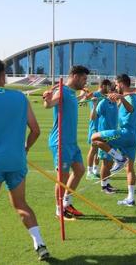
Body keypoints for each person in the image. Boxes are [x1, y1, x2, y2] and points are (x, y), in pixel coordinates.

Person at [0, 59, 49, 262]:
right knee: (21, 203)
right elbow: (36, 130)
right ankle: (40, 243)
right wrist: (25, 148)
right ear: (3, 74)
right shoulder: (20, 98)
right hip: (16, 160)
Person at [43, 65, 90, 220]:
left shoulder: (70, 92)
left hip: (71, 142)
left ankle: (66, 203)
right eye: (84, 78)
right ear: (75, 76)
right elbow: (49, 104)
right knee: (62, 177)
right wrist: (47, 100)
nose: (85, 82)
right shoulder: (61, 90)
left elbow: (69, 102)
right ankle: (59, 210)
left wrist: (83, 97)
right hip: (60, 142)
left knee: (80, 170)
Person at [91, 74, 136, 206]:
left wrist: (122, 98)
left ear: (121, 84)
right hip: (135, 137)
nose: (114, 86)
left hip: (125, 134)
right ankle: (131, 199)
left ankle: (119, 158)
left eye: (116, 83)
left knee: (94, 138)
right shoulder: (135, 97)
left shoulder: (130, 97)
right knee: (130, 169)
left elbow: (130, 109)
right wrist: (119, 99)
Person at [91, 83, 119, 194]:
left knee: (110, 162)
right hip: (104, 136)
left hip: (113, 136)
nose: (117, 94)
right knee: (105, 163)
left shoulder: (115, 103)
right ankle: (104, 187)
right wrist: (94, 105)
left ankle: (107, 183)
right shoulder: (103, 103)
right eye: (116, 92)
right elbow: (93, 117)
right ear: (111, 92)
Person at [85, 80, 111, 180]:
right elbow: (87, 96)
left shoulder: (106, 96)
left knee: (99, 150)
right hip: (94, 125)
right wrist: (88, 95)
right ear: (103, 86)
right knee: (93, 149)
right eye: (108, 86)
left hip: (101, 126)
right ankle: (89, 172)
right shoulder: (95, 94)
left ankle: (95, 170)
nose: (109, 89)